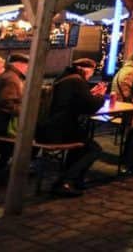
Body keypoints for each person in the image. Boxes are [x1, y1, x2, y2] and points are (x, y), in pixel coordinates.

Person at [39, 58, 106, 196]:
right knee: (93, 149)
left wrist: (91, 93)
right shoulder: (77, 81)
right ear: (86, 70)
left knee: (81, 146)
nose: (91, 75)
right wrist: (99, 96)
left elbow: (76, 101)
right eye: (92, 71)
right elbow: (90, 107)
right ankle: (66, 180)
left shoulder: (64, 78)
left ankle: (74, 180)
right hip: (60, 129)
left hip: (49, 127)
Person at [0, 53, 29, 165]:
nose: (28, 69)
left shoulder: (6, 76)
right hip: (1, 122)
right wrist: (24, 113)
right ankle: (19, 164)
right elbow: (7, 103)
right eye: (27, 65)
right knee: (31, 132)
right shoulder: (12, 79)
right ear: (19, 65)